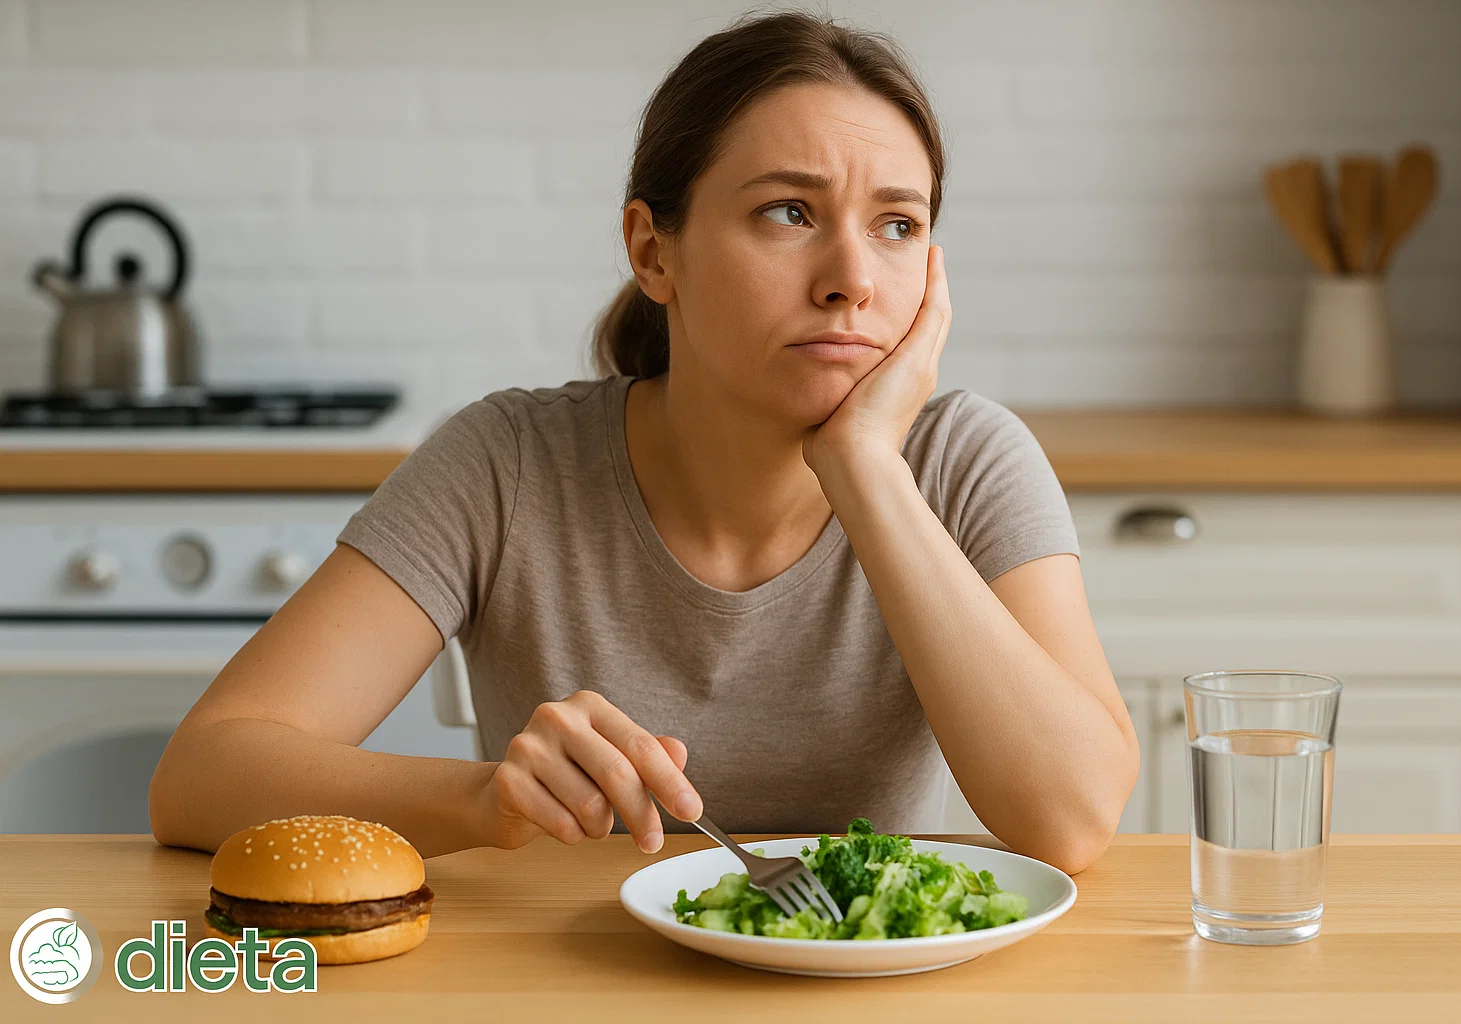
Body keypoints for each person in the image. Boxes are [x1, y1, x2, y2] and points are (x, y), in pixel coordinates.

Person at [149, 9, 1138, 875]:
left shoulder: (965, 461)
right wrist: (485, 798)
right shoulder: (505, 463)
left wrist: (867, 469)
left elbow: (1073, 820)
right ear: (653, 251)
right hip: (567, 984)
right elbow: (200, 776)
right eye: (789, 212)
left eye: (896, 226)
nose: (852, 278)